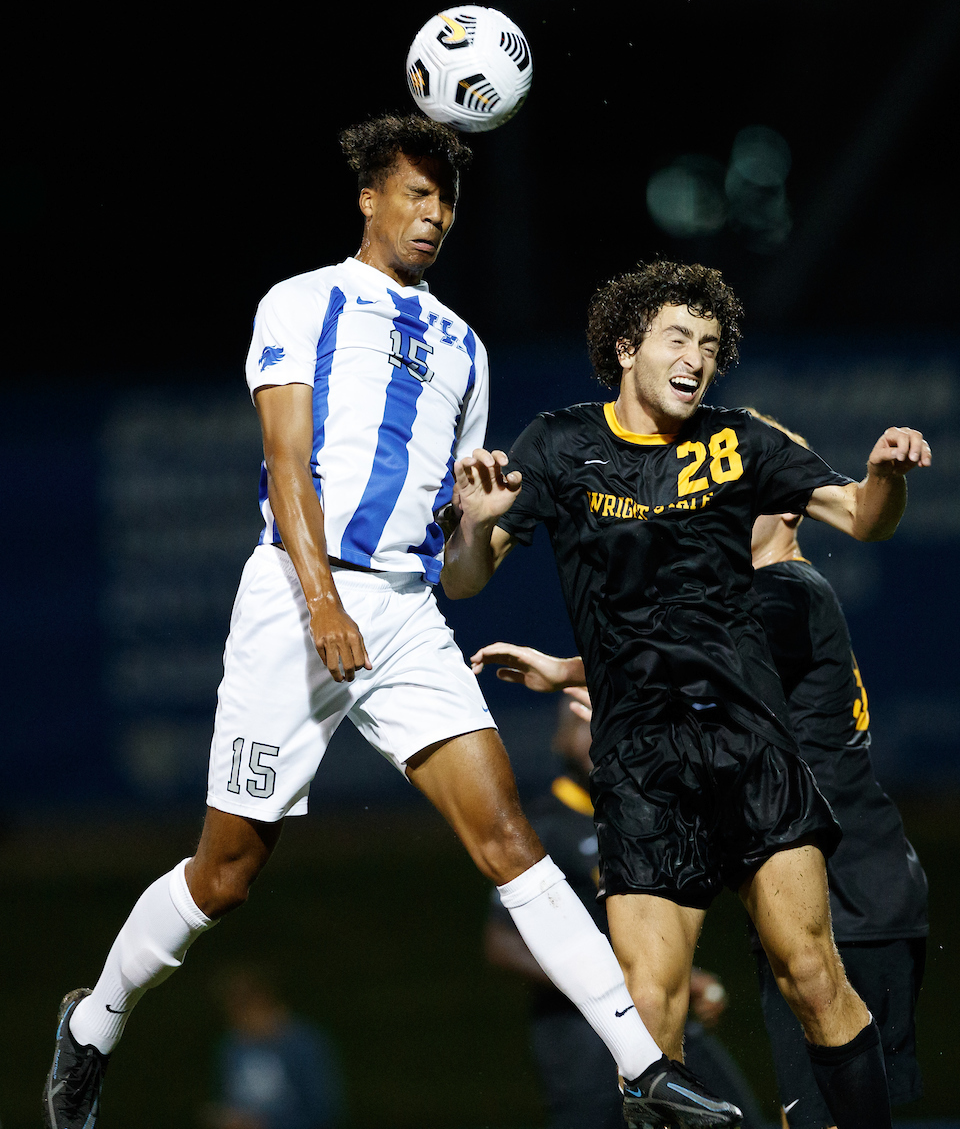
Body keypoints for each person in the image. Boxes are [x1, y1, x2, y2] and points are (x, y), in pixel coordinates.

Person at [43, 119, 732, 1129]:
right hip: (295, 597)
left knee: (509, 838)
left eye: (446, 201)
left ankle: (644, 1071)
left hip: (407, 611)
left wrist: (480, 525)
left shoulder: (465, 349)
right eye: (416, 194)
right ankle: (94, 1023)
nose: (434, 215)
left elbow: (458, 569)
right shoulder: (302, 301)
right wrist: (322, 602)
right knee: (226, 875)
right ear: (369, 198)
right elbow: (287, 465)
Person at [446, 258, 931, 1129]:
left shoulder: (739, 441)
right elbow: (465, 580)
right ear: (627, 348)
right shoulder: (558, 445)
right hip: (641, 765)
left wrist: (886, 474)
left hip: (751, 746)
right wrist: (475, 529)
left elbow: (863, 516)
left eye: (710, 345)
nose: (696, 358)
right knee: (648, 1018)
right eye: (678, 338)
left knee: (812, 975)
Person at [746, 411, 928, 1129]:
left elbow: (698, 659)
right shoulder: (780, 592)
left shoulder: (783, 594)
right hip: (848, 898)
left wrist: (577, 672)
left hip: (847, 906)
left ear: (789, 507)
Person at [484, 695, 768, 1129]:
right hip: (582, 1046)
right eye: (582, 722)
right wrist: (615, 983)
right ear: (560, 739)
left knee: (739, 1117)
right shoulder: (540, 828)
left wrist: (677, 976)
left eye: (607, 720)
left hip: (661, 1022)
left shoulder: (643, 818)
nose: (598, 734)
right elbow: (501, 944)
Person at [204, 966, 342, 1129]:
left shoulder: (302, 1043)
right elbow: (228, 1101)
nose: (238, 1017)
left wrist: (266, 1124)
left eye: (243, 1005)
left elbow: (324, 1109)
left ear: (264, 999)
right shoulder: (231, 1047)